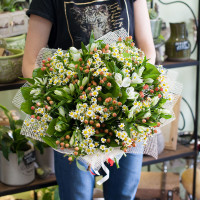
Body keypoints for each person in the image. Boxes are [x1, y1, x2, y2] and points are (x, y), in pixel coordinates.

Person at [23, 0, 156, 199]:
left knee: (123, 193)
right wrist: (73, 101)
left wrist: (124, 96)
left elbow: (147, 52)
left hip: (125, 114)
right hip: (73, 120)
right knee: (75, 195)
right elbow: (30, 64)